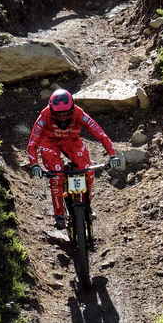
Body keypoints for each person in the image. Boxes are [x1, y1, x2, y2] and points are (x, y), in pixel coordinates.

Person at [25, 89, 120, 229]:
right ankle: (59, 215)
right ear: (51, 110)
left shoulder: (79, 113)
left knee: (88, 171)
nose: (63, 118)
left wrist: (113, 155)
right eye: (59, 114)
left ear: (72, 108)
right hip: (49, 142)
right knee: (56, 175)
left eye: (66, 113)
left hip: (71, 140)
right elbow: (32, 143)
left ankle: (87, 205)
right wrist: (34, 165)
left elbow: (99, 133)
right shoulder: (44, 116)